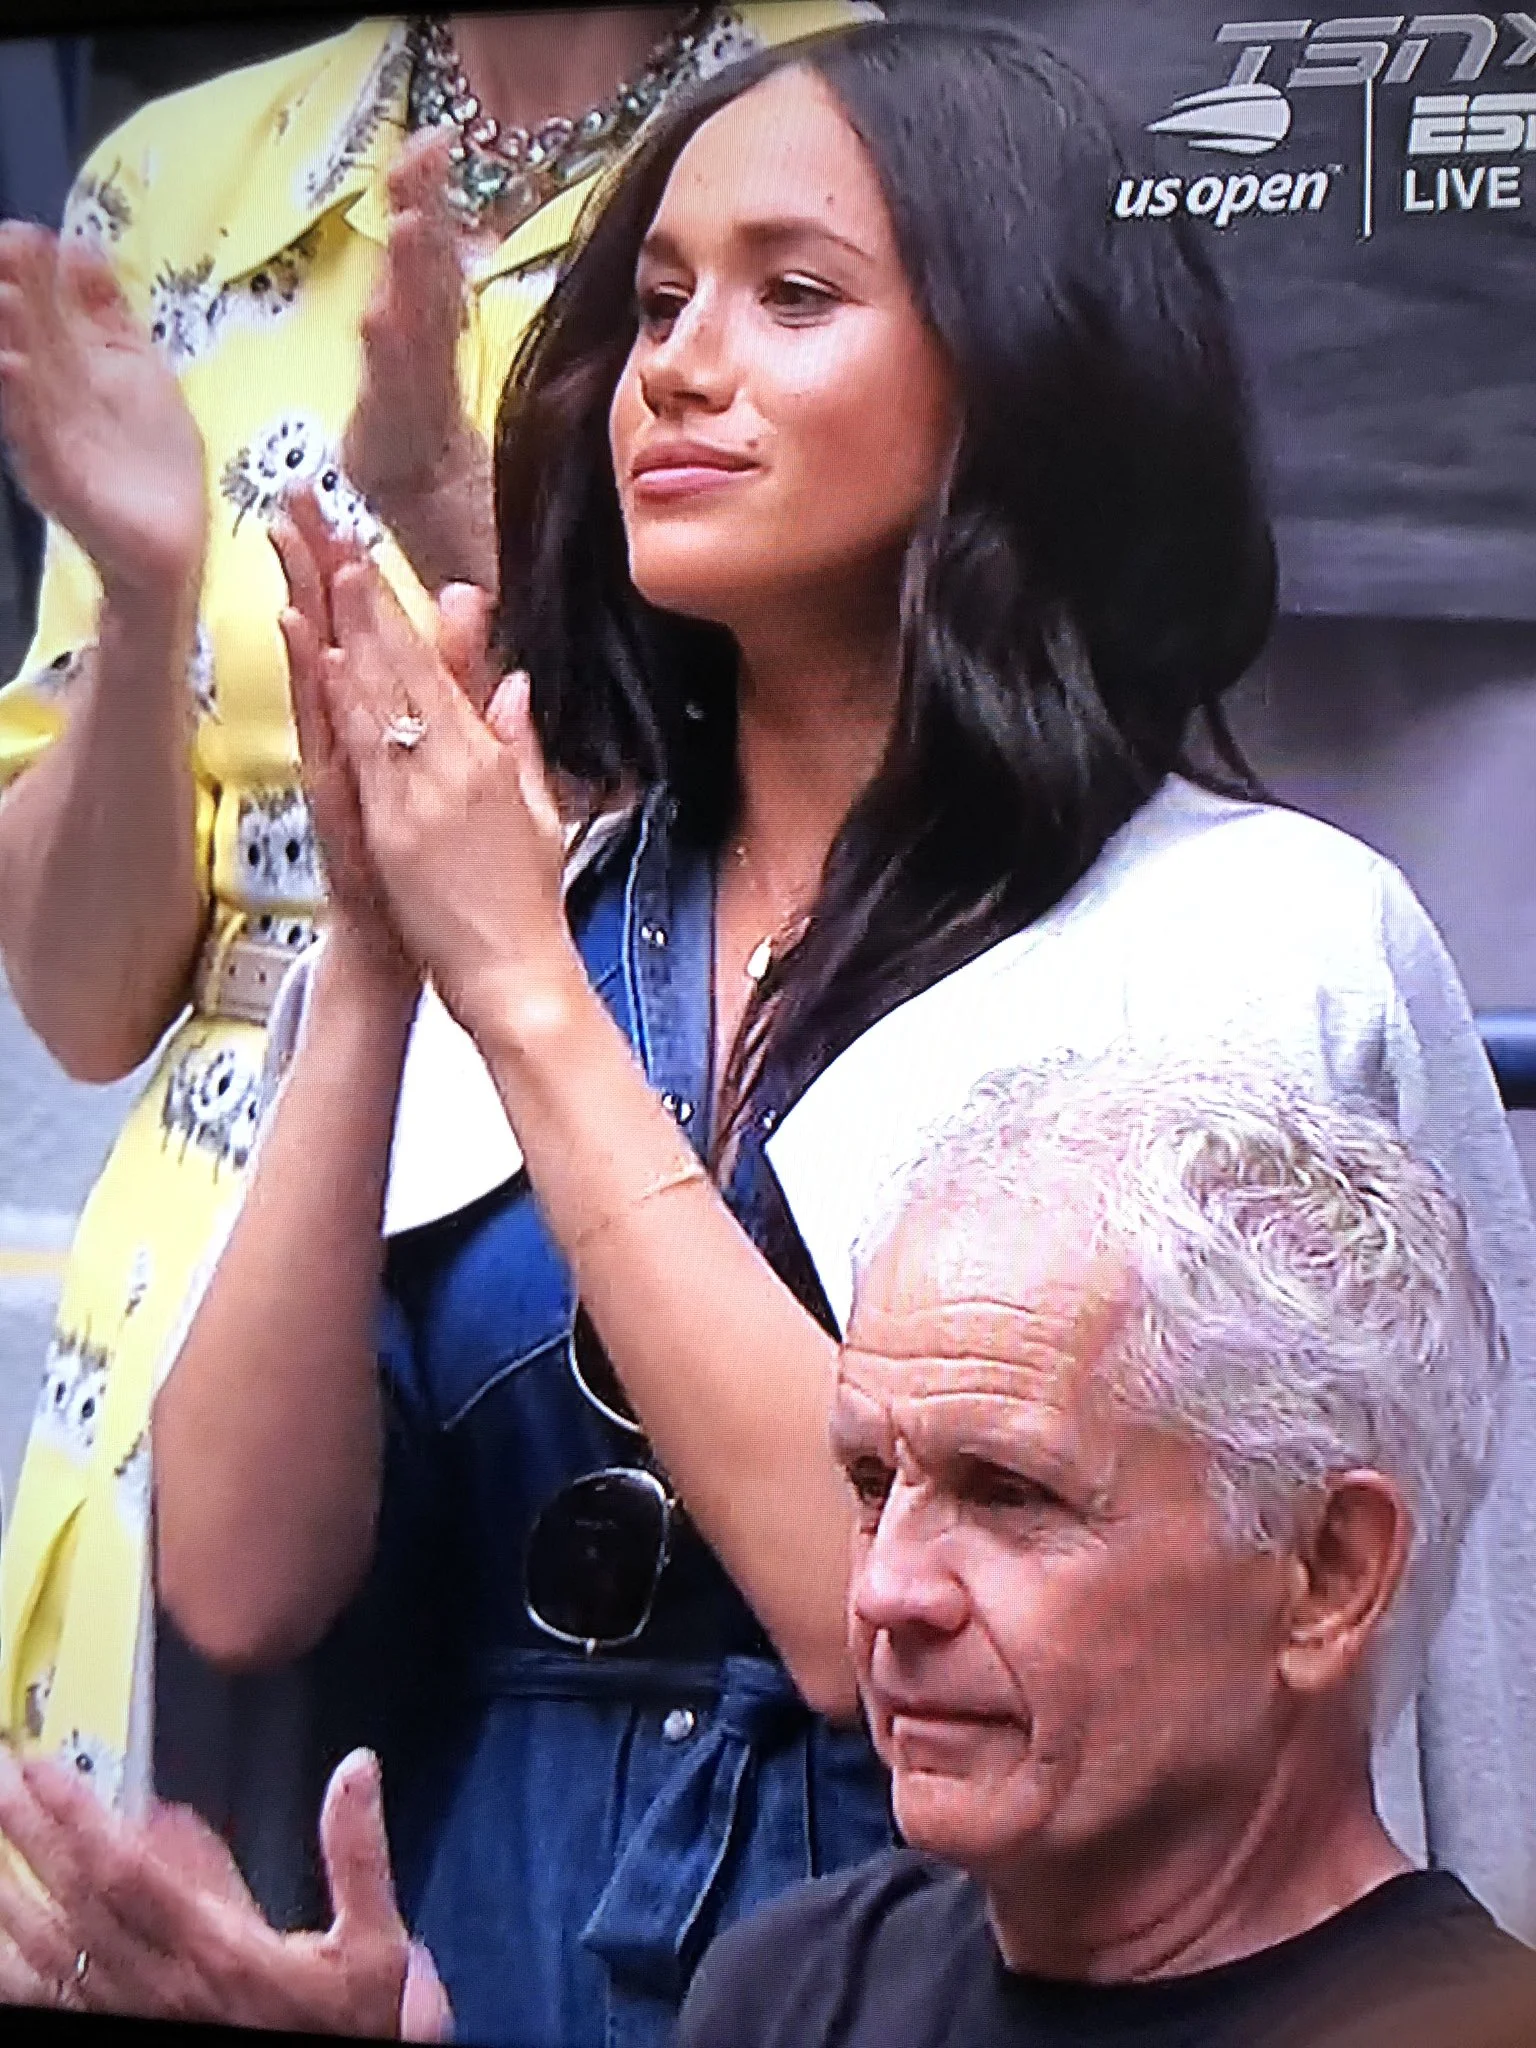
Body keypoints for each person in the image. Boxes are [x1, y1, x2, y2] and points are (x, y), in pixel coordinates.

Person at [0, 13, 1533, 2045]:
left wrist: (520, 990)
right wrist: (378, 948)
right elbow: (247, 1580)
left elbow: (877, 1607)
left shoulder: (1244, 932)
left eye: (791, 296)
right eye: (651, 304)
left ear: (1021, 367)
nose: (677, 365)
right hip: (494, 1939)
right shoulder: (529, 887)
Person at [0, 0, 866, 1917]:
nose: (707, 340)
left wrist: (456, 527)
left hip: (628, 1177)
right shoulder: (182, 177)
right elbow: (79, 1004)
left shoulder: (847, 113)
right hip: (229, 1231)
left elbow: (842, 757)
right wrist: (146, 599)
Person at [676, 1055, 1535, 2048]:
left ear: (1328, 1573)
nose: (887, 1589)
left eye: (1009, 1494)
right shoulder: (793, 1989)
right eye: (872, 1482)